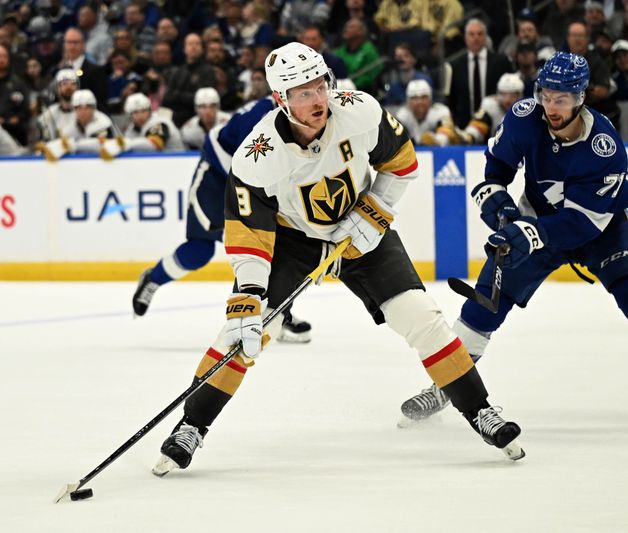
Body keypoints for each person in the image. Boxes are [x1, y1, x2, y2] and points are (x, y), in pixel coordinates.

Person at [151, 43, 524, 477]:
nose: (317, 99)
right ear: (280, 100)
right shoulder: (258, 156)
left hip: (360, 226)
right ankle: (191, 426)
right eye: (302, 92)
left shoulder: (359, 110)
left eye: (319, 85)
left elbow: (402, 163)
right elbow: (249, 233)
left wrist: (377, 209)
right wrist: (250, 296)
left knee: (421, 316)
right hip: (294, 240)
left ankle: (480, 410)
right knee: (243, 333)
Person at [399, 52, 628, 427]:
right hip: (536, 218)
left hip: (600, 229)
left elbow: (581, 224)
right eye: (546, 95)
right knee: (485, 304)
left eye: (561, 98)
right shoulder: (524, 117)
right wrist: (497, 199)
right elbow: (498, 165)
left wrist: (531, 232)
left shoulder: (605, 145)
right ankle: (446, 384)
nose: (551, 106)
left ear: (581, 97)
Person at [132, 96, 314, 343]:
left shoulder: (300, 116)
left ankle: (274, 314)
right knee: (199, 250)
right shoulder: (261, 118)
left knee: (271, 250)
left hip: (251, 181)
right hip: (216, 179)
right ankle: (153, 278)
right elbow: (242, 157)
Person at [437, 73, 525, 146]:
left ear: (520, 94)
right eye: (503, 94)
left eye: (512, 95)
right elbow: (477, 126)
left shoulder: (528, 108)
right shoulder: (490, 105)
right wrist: (467, 137)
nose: (507, 100)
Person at [36, 89, 119, 161]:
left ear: (93, 108)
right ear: (74, 110)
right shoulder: (73, 126)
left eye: (87, 108)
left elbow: (101, 145)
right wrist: (48, 148)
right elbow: (63, 142)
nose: (83, 112)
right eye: (79, 108)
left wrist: (72, 145)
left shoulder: (103, 122)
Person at [394, 79, 455, 145]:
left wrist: (436, 140)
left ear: (430, 99)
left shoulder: (441, 112)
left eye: (423, 97)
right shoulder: (402, 115)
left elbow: (446, 137)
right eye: (415, 98)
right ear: (408, 102)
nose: (419, 102)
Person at [118, 92, 185, 153]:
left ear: (150, 111)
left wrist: (126, 144)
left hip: (177, 162)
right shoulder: (132, 129)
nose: (140, 115)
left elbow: (154, 145)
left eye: (144, 111)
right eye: (135, 112)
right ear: (130, 115)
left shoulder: (160, 122)